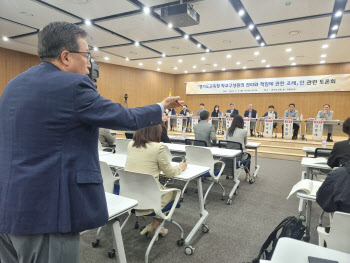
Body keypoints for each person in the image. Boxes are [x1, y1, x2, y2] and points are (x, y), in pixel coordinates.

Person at [0, 21, 182, 263]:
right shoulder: (73, 85)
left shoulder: (13, 85)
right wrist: (160, 107)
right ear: (65, 56)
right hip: (49, 214)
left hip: (8, 209)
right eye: (86, 54)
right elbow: (124, 117)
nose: (89, 62)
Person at [124, 125, 187, 238]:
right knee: (174, 193)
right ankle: (156, 224)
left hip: (131, 197)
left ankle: (155, 225)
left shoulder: (130, 144)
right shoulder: (158, 147)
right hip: (149, 200)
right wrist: (181, 167)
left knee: (161, 189)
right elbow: (170, 173)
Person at [226, 115, 251, 181]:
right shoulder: (244, 131)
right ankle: (247, 174)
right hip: (238, 157)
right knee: (248, 156)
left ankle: (230, 173)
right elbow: (245, 143)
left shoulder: (228, 130)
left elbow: (227, 141)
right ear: (242, 122)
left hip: (228, 156)